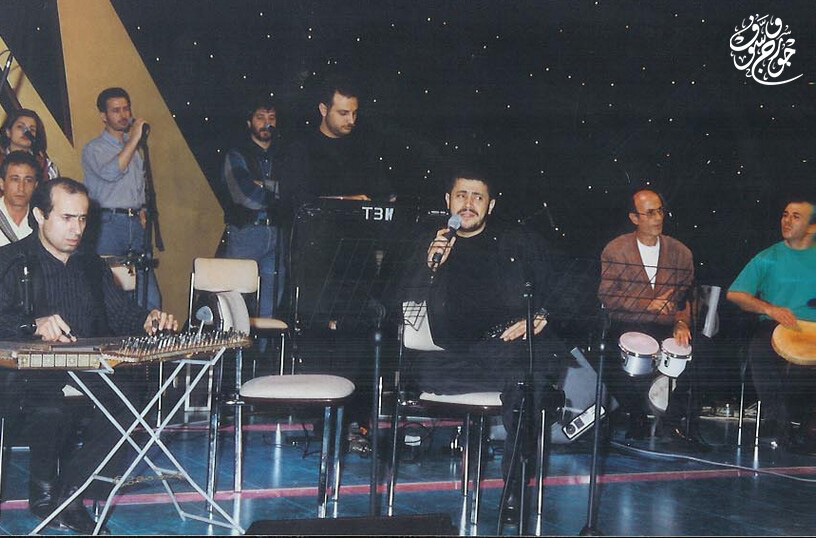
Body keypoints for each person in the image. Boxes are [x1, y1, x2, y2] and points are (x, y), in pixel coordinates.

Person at [0, 178, 177, 534]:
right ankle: (44, 492)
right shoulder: (10, 260)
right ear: (40, 216)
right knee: (49, 404)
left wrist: (147, 319)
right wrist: (33, 324)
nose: (77, 229)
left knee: (128, 400)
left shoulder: (91, 264)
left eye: (82, 219)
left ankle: (72, 492)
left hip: (86, 362)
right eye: (67, 218)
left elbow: (119, 313)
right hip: (28, 367)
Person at [399, 165, 564, 523]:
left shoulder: (517, 242)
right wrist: (429, 266)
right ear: (448, 200)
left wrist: (540, 315)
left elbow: (556, 289)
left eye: (478, 197)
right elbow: (400, 303)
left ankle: (513, 490)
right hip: (452, 357)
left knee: (525, 378)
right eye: (461, 195)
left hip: (505, 347)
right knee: (527, 383)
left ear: (491, 205)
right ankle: (539, 391)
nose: (468, 204)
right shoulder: (429, 243)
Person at [597, 188, 701, 445]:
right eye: (650, 213)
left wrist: (681, 322)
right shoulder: (615, 250)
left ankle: (672, 421)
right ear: (634, 218)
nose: (657, 218)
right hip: (626, 323)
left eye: (660, 211)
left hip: (667, 325)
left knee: (706, 355)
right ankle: (636, 415)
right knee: (606, 357)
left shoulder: (681, 253)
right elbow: (607, 296)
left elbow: (688, 296)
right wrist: (647, 305)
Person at [727, 196, 816, 450]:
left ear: (812, 226)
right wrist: (770, 309)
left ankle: (810, 425)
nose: (787, 221)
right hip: (775, 328)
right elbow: (736, 294)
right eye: (785, 215)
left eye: (796, 217)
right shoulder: (768, 257)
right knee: (761, 352)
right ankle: (779, 425)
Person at [81, 87, 161, 310]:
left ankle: (149, 331)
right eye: (116, 110)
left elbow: (139, 185)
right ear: (103, 116)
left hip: (134, 223)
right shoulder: (94, 148)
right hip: (107, 224)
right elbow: (111, 172)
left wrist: (142, 209)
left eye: (126, 109)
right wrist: (133, 139)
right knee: (108, 291)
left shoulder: (134, 149)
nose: (124, 115)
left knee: (149, 296)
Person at [220, 97, 289, 317]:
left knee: (270, 307)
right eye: (260, 117)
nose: (267, 123)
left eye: (272, 118)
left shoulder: (284, 156)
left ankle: (264, 341)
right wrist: (278, 192)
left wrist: (264, 185)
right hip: (246, 233)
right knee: (235, 300)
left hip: (277, 233)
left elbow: (294, 190)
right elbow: (244, 195)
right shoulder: (236, 154)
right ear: (249, 122)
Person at [290, 75, 390, 201]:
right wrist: (344, 201)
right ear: (323, 110)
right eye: (343, 113)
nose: (351, 120)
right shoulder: (301, 149)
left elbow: (383, 194)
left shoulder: (364, 148)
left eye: (354, 113)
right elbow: (296, 199)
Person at [0, 108, 59, 181]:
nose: (27, 132)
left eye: (32, 129)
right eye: (20, 127)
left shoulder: (45, 166)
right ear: (8, 132)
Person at [0, 150, 39, 246]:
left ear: (35, 185)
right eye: (15, 179)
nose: (21, 187)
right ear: (2, 183)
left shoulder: (42, 220)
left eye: (28, 180)